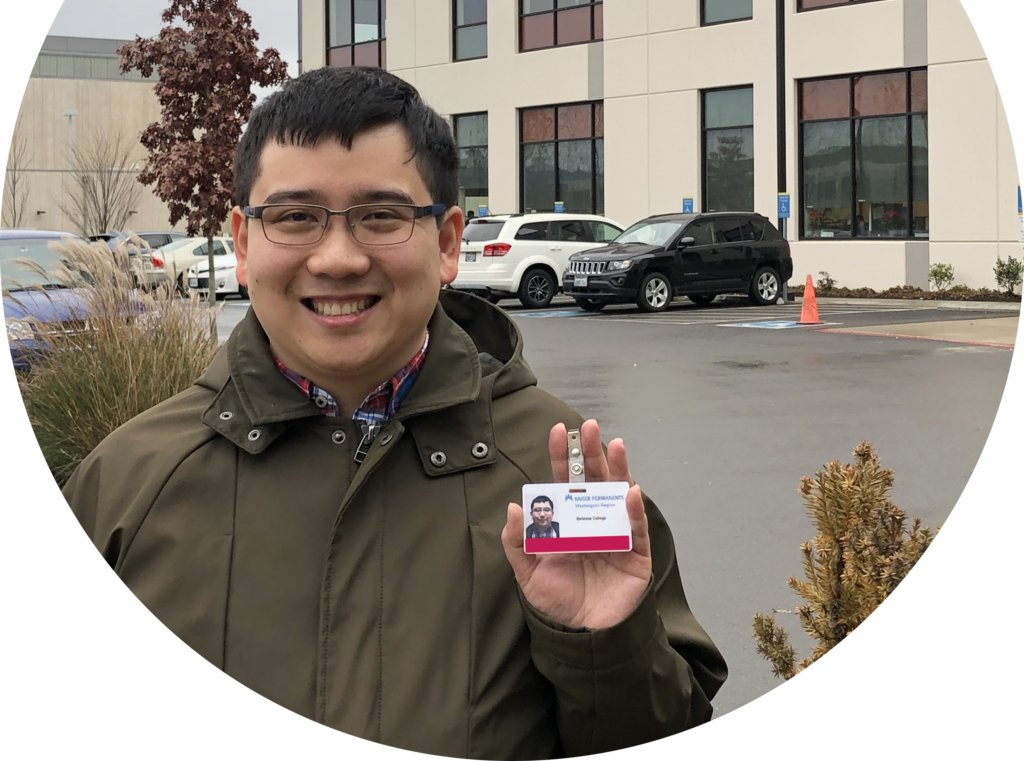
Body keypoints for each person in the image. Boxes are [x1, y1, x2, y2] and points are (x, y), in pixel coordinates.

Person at [61, 66, 727, 759]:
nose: (339, 258)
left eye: (381, 216)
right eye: (295, 217)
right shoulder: (131, 486)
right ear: (244, 240)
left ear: (446, 243)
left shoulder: (557, 480)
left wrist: (606, 650)